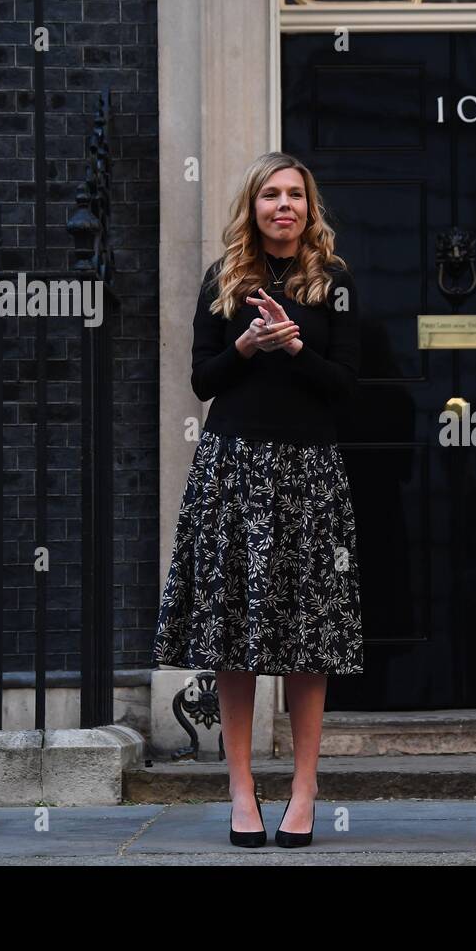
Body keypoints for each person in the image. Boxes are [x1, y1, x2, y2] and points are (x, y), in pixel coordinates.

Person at [154, 151, 362, 849]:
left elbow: (346, 385)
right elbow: (202, 380)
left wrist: (296, 346)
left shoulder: (333, 282)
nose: (284, 206)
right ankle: (241, 789)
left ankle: (304, 790)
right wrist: (246, 342)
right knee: (234, 638)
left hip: (309, 474)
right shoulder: (225, 279)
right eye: (271, 194)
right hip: (234, 470)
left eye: (295, 195)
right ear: (253, 205)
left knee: (309, 640)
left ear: (310, 207)